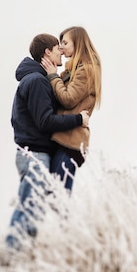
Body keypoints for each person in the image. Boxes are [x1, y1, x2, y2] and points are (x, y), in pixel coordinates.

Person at [6, 33, 90, 250]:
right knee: (29, 209)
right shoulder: (36, 81)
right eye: (57, 48)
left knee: (34, 211)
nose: (61, 51)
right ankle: (11, 256)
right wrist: (78, 119)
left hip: (34, 153)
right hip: (33, 153)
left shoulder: (38, 80)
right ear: (47, 53)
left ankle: (21, 255)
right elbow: (45, 121)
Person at [41, 26, 102, 194]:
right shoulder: (73, 70)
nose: (61, 47)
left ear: (78, 44)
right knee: (56, 196)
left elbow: (68, 99)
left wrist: (53, 76)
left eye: (65, 43)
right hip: (65, 138)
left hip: (70, 141)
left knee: (58, 197)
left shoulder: (86, 70)